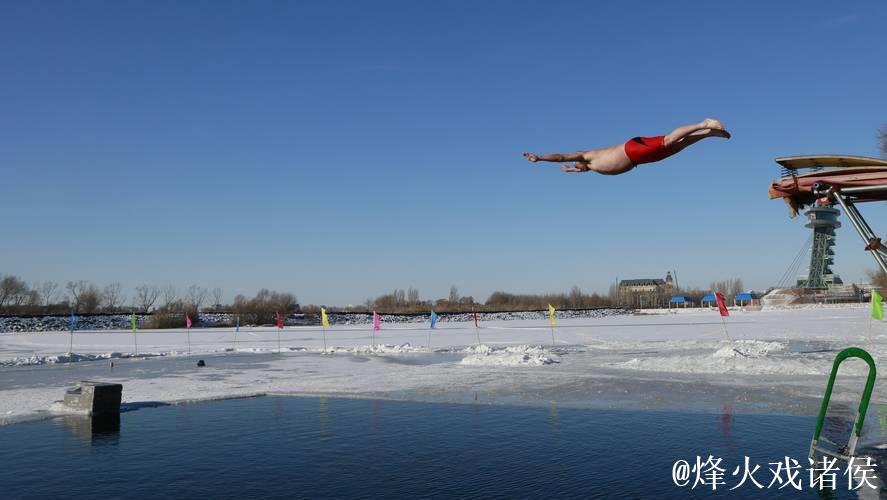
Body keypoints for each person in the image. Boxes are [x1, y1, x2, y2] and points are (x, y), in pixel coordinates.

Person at [522, 118, 730, 175]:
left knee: (668, 141)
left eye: (576, 165)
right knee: (676, 148)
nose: (579, 168)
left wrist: (539, 158)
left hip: (632, 150)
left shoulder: (585, 156)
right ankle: (708, 134)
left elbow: (560, 156)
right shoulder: (590, 166)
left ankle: (704, 123)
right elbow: (581, 170)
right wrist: (571, 171)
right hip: (638, 159)